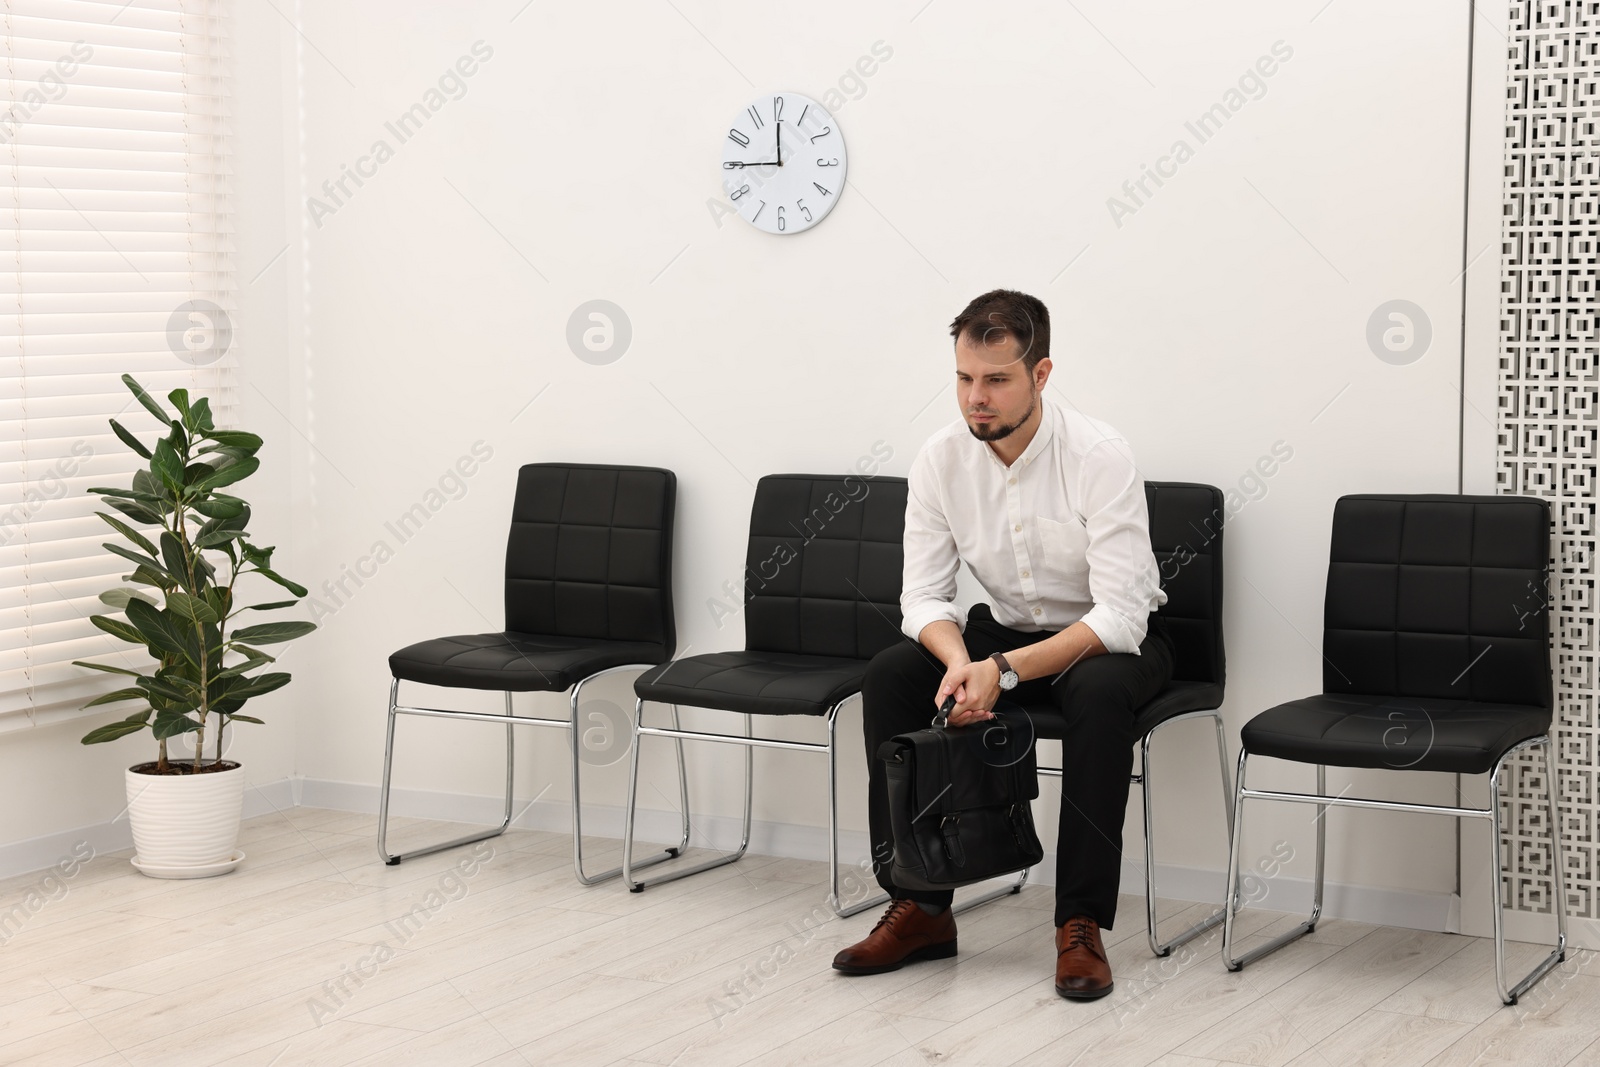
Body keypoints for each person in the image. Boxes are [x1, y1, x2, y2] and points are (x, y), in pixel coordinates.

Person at [831, 289, 1174, 1000]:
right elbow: (922, 597)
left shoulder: (1099, 454)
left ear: (1040, 375)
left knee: (1103, 693)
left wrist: (1002, 673)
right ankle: (921, 904)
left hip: (1103, 639)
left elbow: (1120, 616)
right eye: (963, 378)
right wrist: (963, 665)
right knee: (894, 674)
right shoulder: (940, 458)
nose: (974, 398)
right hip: (1001, 631)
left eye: (996, 380)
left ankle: (1079, 923)